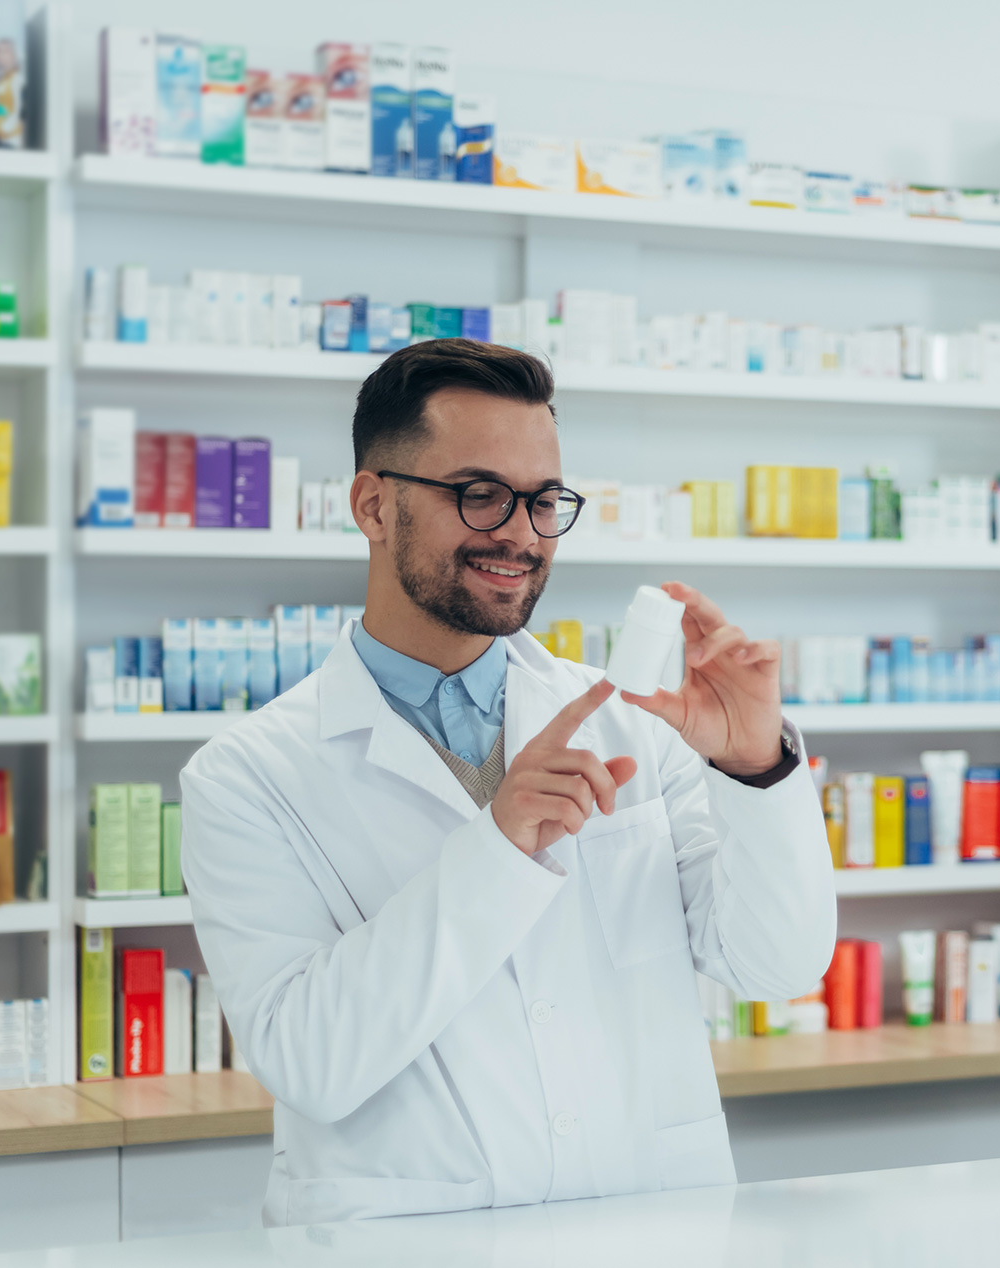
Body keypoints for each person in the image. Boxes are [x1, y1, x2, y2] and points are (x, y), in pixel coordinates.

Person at [180, 339, 837, 1226]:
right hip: (411, 1238)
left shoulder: (630, 719)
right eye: (479, 495)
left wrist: (756, 768)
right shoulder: (246, 777)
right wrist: (497, 847)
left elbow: (777, 965)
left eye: (543, 500)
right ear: (374, 505)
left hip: (646, 1224)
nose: (521, 534)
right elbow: (310, 1062)